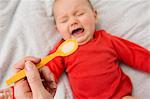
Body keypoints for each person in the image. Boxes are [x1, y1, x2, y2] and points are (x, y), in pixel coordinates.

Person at [2, 0, 150, 98]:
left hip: (119, 96)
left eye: (79, 14)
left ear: (94, 15)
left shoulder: (107, 40)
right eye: (64, 20)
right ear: (58, 28)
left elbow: (136, 54)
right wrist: (15, 92)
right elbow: (45, 74)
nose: (73, 21)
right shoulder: (62, 51)